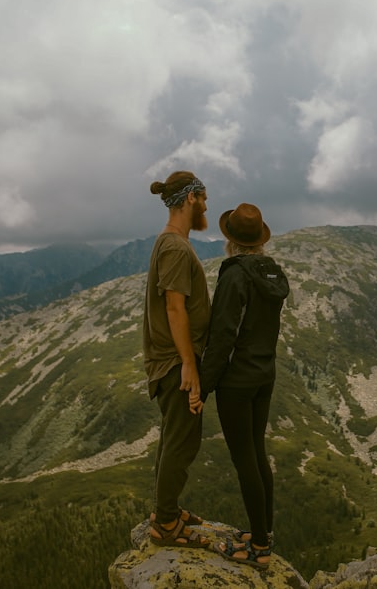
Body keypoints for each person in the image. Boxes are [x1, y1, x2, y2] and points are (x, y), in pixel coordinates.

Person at [200, 203, 290, 568]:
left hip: (237, 381)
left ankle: (259, 550)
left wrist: (202, 387)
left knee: (244, 460)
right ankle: (263, 534)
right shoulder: (271, 272)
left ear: (231, 240)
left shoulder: (235, 275)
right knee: (257, 451)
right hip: (264, 375)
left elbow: (222, 336)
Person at [143, 171, 212, 549]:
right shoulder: (174, 248)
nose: (205, 206)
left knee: (174, 439)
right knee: (182, 443)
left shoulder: (174, 243)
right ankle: (166, 523)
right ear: (190, 199)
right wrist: (189, 363)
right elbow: (174, 307)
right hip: (175, 362)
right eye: (203, 198)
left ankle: (165, 510)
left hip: (173, 360)